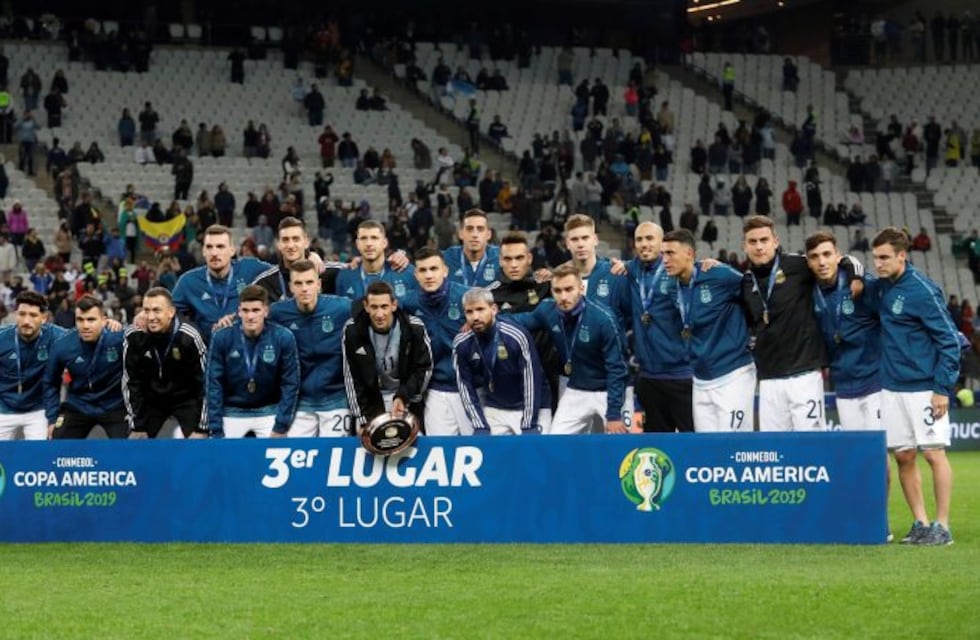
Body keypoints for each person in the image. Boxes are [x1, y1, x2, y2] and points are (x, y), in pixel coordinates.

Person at [871, 227, 958, 546]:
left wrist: (941, 388)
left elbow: (949, 341)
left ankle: (942, 526)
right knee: (904, 456)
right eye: (875, 258)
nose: (878, 264)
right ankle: (921, 523)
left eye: (884, 258)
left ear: (902, 256)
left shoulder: (922, 290)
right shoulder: (882, 287)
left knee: (934, 454)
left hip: (924, 388)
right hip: (891, 388)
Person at [741, 215, 860, 431]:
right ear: (745, 246)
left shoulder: (798, 265)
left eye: (764, 240)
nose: (759, 247)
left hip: (805, 375)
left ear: (775, 241)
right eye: (753, 241)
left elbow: (840, 261)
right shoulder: (746, 282)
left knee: (811, 443)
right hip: (769, 379)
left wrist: (856, 276)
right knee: (775, 447)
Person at [510, 264, 629, 435]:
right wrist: (490, 318)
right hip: (576, 389)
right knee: (556, 441)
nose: (563, 297)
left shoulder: (603, 319)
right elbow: (520, 320)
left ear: (581, 288)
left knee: (618, 442)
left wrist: (614, 414)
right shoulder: (547, 310)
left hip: (606, 391)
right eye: (557, 291)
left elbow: (617, 368)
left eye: (569, 289)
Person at [662, 230, 755, 432]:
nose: (665, 260)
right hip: (700, 379)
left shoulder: (719, 275)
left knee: (734, 445)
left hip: (733, 374)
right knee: (707, 447)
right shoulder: (672, 286)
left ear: (689, 253)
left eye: (670, 253)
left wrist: (753, 334)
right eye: (663, 254)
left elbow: (754, 292)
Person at [804, 231, 881, 434]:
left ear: (838, 256)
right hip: (843, 384)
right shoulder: (807, 290)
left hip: (875, 381)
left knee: (877, 447)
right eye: (815, 257)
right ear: (808, 262)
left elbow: (890, 321)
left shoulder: (862, 284)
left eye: (827, 254)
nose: (822, 262)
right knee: (855, 449)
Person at [269, 259, 353, 437]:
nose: (304, 288)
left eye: (309, 282)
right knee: (296, 452)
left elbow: (373, 308)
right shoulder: (278, 312)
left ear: (319, 285)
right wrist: (228, 320)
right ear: (291, 287)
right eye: (298, 283)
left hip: (336, 399)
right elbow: (251, 316)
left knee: (334, 451)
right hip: (300, 402)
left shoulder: (342, 307)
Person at [205, 285, 299, 438]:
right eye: (246, 310)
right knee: (221, 453)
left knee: (278, 450)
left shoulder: (283, 337)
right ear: (239, 311)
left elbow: (290, 384)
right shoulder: (222, 337)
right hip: (232, 411)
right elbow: (213, 384)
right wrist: (215, 428)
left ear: (266, 311)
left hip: (269, 410)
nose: (250, 316)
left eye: (256, 310)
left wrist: (281, 425)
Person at [625, 222, 694, 432]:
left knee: (691, 442)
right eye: (639, 239)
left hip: (681, 375)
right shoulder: (631, 270)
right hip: (648, 377)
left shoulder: (675, 270)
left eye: (650, 238)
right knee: (656, 444)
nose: (644, 244)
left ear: (662, 243)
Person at [398, 248, 473, 435]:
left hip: (470, 387)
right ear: (416, 274)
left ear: (445, 271)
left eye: (434, 269)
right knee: (439, 447)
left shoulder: (467, 298)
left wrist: (480, 322)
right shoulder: (408, 303)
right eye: (423, 270)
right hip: (435, 390)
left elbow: (493, 317)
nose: (429, 275)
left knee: (475, 446)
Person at [453, 287, 544, 435]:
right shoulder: (462, 343)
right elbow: (465, 387)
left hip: (531, 407)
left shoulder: (515, 336)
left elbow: (531, 380)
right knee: (485, 447)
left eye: (480, 309)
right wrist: (480, 425)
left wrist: (529, 423)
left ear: (494, 309)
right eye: (469, 312)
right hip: (494, 408)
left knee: (536, 449)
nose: (475, 317)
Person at [342, 281, 432, 430]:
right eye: (374, 307)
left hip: (405, 397)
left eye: (384, 307)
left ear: (394, 305)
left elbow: (424, 368)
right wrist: (362, 419)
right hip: (370, 401)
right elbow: (351, 378)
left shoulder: (414, 328)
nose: (379, 314)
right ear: (366, 306)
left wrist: (405, 398)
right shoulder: (353, 330)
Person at [122, 287, 208, 438]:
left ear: (171, 312)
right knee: (136, 442)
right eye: (146, 310)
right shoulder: (134, 336)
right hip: (152, 400)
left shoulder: (189, 336)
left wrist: (202, 428)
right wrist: (137, 425)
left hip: (185, 398)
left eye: (157, 310)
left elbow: (205, 383)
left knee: (198, 444)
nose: (151, 317)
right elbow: (131, 382)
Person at [44, 295, 128, 439]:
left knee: (130, 448)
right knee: (57, 444)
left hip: (114, 405)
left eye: (91, 319)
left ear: (103, 320)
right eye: (80, 320)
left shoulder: (119, 338)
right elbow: (50, 382)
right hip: (79, 404)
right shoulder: (63, 345)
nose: (85, 326)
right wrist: (52, 419)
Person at [171, 225, 271, 342]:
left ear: (232, 250)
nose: (214, 253)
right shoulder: (188, 281)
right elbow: (169, 314)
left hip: (246, 346)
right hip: (207, 348)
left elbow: (280, 275)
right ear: (203, 251)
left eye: (220, 247)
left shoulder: (250, 268)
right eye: (209, 247)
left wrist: (239, 317)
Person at [0, 292, 68, 440]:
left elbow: (83, 335)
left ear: (44, 318)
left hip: (38, 410)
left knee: (39, 454)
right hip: (3, 408)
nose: (26, 321)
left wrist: (106, 325)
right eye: (22, 314)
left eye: (33, 315)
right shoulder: (2, 338)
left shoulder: (55, 336)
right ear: (15, 314)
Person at [336, 220, 417, 303]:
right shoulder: (345, 276)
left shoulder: (407, 273)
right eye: (363, 238)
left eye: (374, 238)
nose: (368, 243)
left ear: (384, 243)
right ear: (357, 244)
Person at [443, 208, 501, 287]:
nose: (474, 234)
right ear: (461, 234)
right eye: (469, 229)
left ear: (488, 234)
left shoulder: (500, 257)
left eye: (480, 229)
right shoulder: (446, 258)